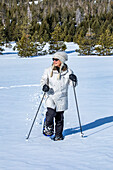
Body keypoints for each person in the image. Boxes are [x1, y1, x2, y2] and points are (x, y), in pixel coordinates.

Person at [41, 51, 77, 141]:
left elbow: (72, 84)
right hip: (51, 96)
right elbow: (43, 81)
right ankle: (48, 127)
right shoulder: (48, 70)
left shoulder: (68, 71)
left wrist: (74, 79)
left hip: (62, 97)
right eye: (53, 59)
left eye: (56, 59)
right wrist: (44, 86)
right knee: (51, 113)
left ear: (62, 60)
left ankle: (58, 135)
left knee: (59, 118)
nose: (54, 61)